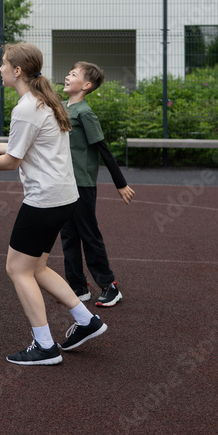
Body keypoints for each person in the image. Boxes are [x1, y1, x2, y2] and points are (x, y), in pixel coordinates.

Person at [0, 43, 107, 365]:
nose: (0, 69)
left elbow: (13, 161)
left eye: (3, 63)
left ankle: (45, 346)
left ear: (17, 70)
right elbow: (25, 146)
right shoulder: (45, 101)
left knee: (16, 269)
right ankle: (87, 320)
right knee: (36, 268)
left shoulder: (25, 108)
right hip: (64, 197)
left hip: (44, 201)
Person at [61, 62, 135, 306]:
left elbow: (102, 149)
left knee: (88, 235)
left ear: (86, 85)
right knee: (68, 236)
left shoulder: (84, 113)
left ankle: (109, 285)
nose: (67, 76)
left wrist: (120, 184)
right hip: (63, 183)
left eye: (73, 74)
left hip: (82, 184)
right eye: (69, 73)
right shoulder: (61, 108)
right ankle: (78, 287)